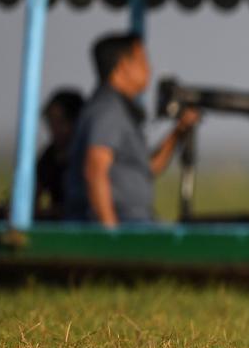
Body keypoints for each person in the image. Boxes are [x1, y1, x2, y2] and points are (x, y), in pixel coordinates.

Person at [64, 33, 199, 227]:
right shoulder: (107, 110)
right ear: (123, 66)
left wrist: (177, 133)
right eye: (142, 60)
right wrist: (110, 234)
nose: (149, 68)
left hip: (135, 221)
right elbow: (95, 170)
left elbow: (148, 168)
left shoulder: (122, 110)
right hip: (121, 223)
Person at [35, 88, 85, 220]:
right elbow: (32, 191)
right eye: (50, 122)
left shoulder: (89, 156)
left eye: (60, 122)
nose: (54, 129)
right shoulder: (50, 155)